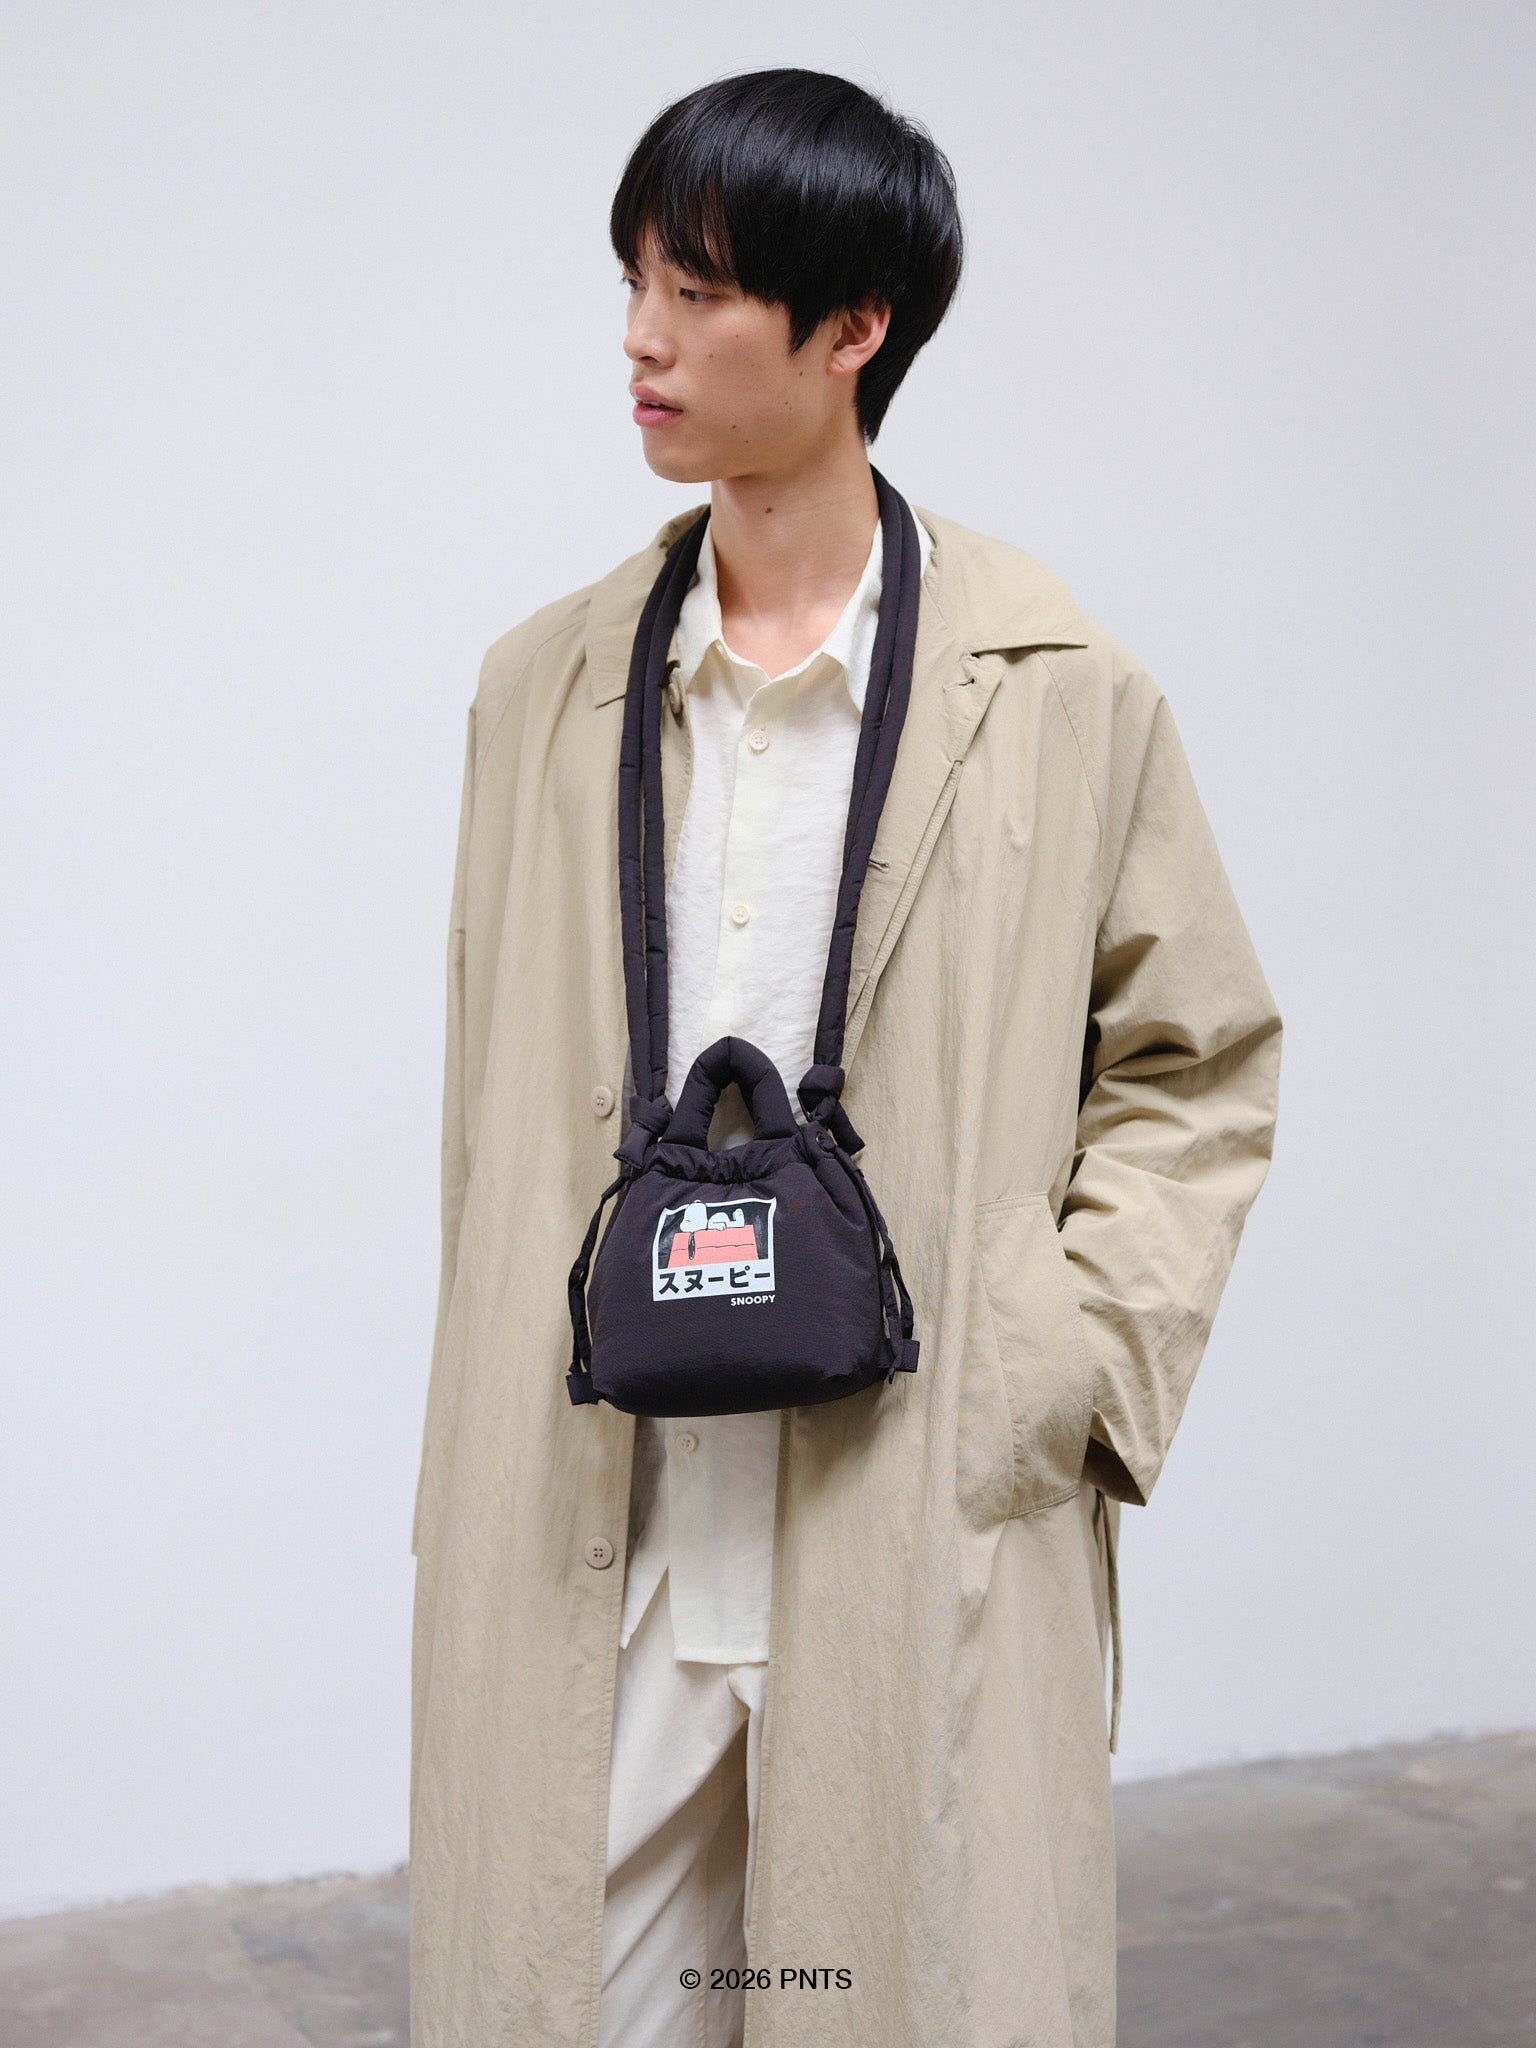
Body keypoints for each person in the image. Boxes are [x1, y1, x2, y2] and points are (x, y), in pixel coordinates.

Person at [408, 67, 1283, 2048]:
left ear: (853, 327)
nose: (641, 338)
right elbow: (488, 1110)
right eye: (634, 282)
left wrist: (1066, 1358)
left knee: (888, 1999)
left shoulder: (1055, 691)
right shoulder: (544, 692)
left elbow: (1196, 1056)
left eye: (698, 290)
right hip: (607, 1521)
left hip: (904, 1508)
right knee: (560, 1998)